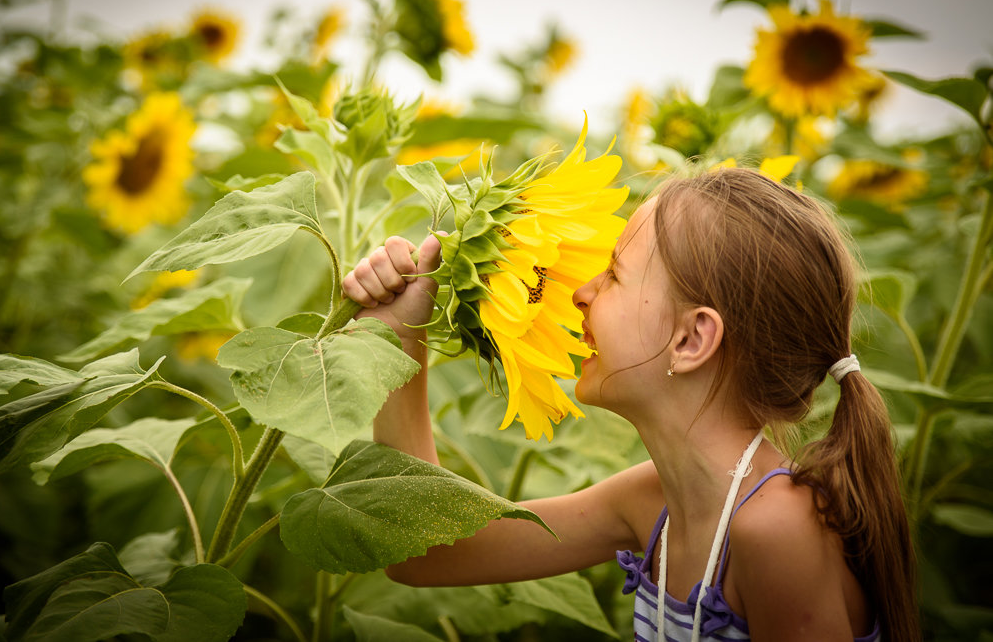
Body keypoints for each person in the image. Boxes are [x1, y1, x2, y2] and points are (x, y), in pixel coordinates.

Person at [342, 168, 920, 642]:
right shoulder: (651, 503)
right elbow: (421, 554)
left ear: (691, 340)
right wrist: (400, 338)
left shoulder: (777, 530)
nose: (581, 291)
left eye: (614, 274)